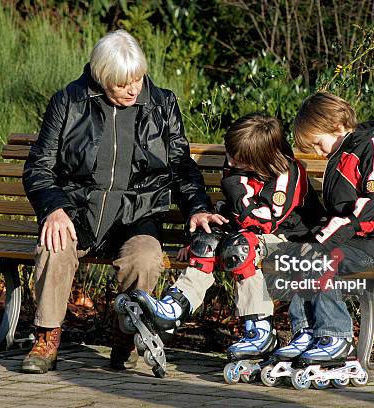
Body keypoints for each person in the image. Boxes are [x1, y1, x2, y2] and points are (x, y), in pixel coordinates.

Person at [20, 29, 226, 374]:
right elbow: (39, 166)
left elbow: (180, 165)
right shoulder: (69, 101)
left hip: (136, 215)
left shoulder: (162, 103)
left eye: (138, 79)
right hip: (78, 211)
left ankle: (125, 336)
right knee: (53, 247)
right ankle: (46, 338)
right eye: (122, 83)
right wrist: (54, 209)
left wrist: (198, 207)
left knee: (145, 257)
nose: (133, 89)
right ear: (102, 78)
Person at [129, 113, 326, 362]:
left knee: (241, 248)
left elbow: (262, 220)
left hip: (293, 240)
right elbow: (230, 213)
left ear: (259, 159)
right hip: (253, 234)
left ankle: (260, 328)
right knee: (207, 243)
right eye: (230, 153)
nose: (230, 161)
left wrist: (233, 187)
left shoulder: (287, 174)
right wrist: (197, 239)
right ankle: (175, 307)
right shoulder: (237, 165)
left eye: (237, 158)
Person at [267, 91, 374, 365]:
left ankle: (335, 336)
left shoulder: (372, 148)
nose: (316, 152)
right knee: (298, 256)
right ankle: (306, 331)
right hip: (356, 237)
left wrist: (322, 241)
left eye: (316, 143)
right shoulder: (340, 155)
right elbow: (338, 213)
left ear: (335, 127)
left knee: (321, 259)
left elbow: (370, 208)